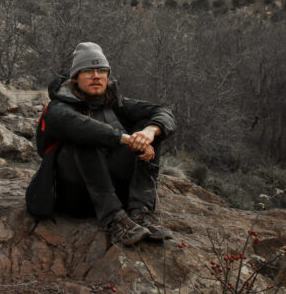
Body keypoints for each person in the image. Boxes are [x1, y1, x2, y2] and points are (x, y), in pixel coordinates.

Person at [26, 42, 176, 247]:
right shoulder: (57, 107)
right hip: (72, 196)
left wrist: (148, 132)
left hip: (110, 189)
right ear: (76, 77)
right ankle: (115, 220)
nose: (96, 76)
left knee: (151, 129)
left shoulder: (115, 104)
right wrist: (125, 139)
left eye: (101, 70)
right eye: (88, 71)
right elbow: (80, 126)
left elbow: (164, 113)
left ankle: (140, 212)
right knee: (85, 136)